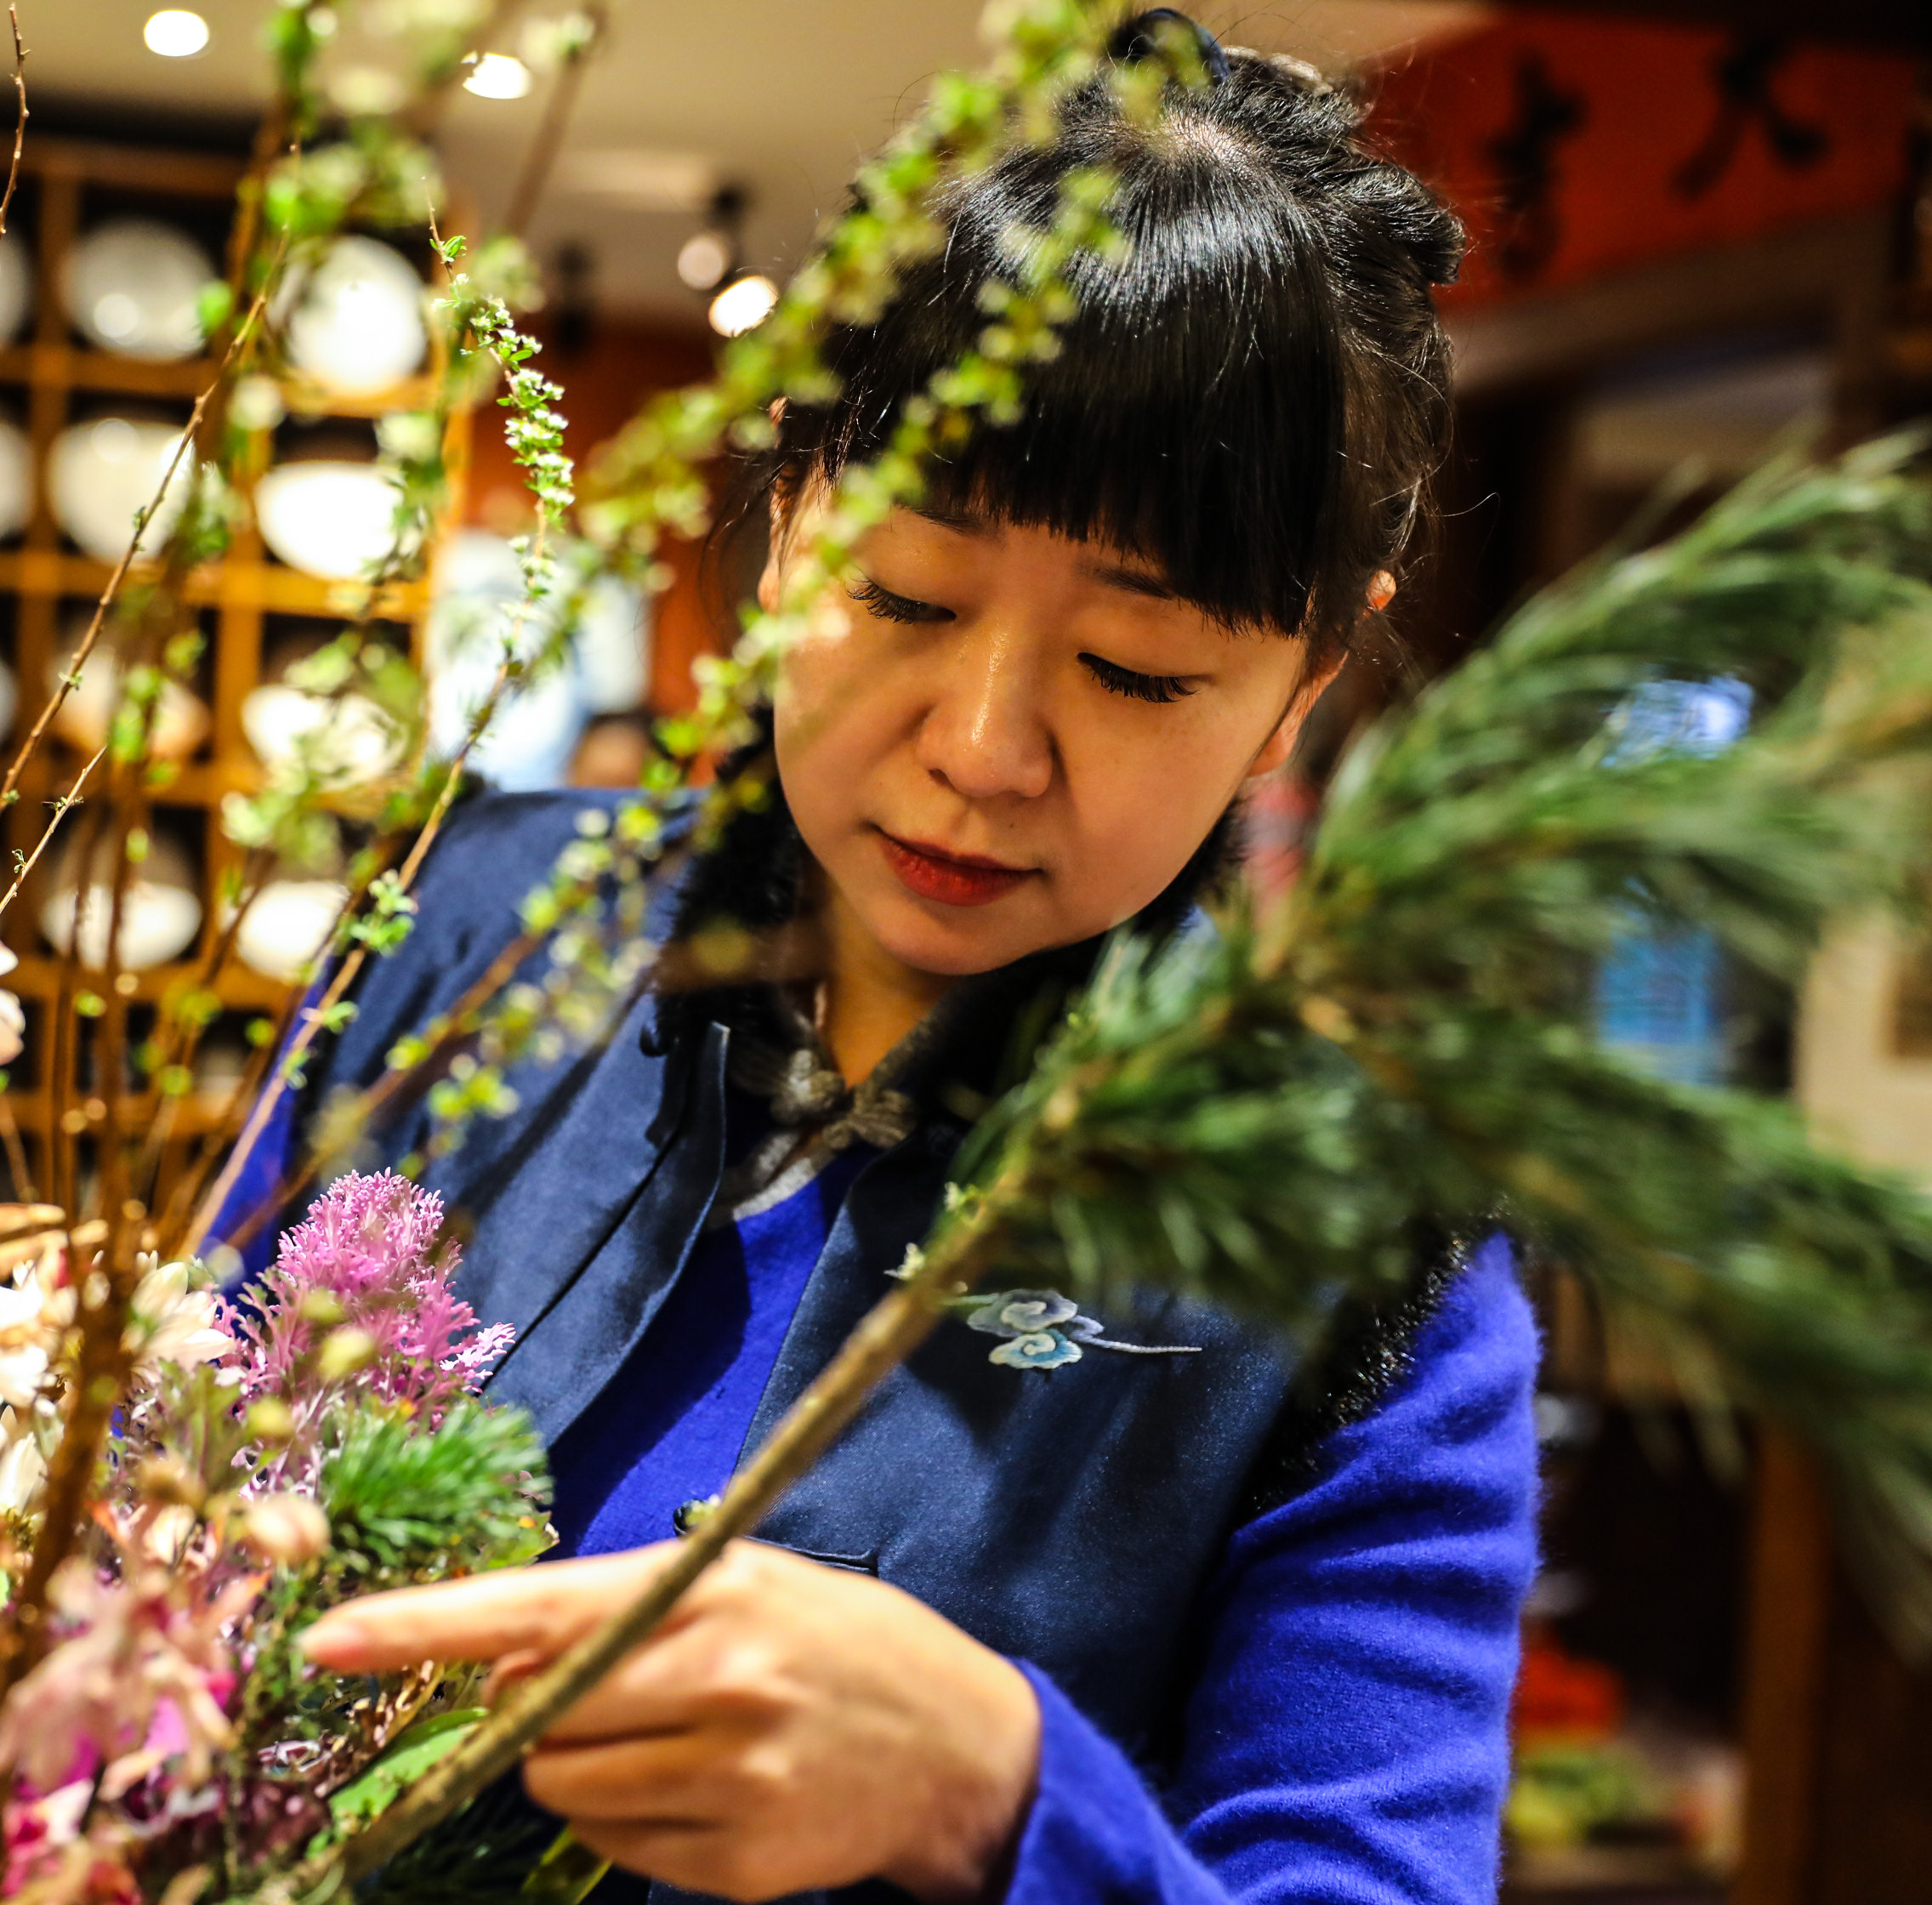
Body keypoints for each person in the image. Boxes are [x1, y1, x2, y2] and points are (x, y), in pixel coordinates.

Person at [214, 20, 1532, 1904]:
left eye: (1139, 670)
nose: (984, 748)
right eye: (907, 595)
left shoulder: (1360, 1253)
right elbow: (161, 1457)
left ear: (1299, 691)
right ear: (784, 518)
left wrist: (999, 1797)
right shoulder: (471, 925)